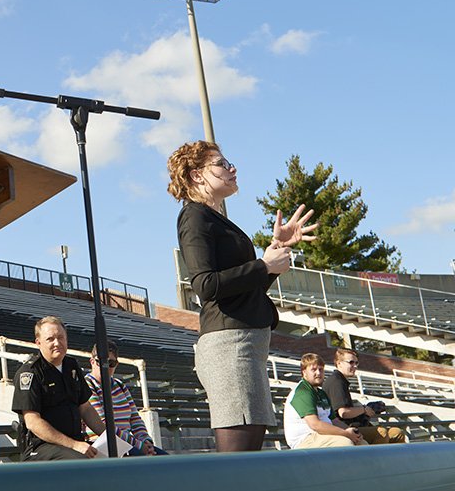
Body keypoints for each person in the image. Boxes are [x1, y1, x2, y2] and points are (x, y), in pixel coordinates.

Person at [167, 140, 317, 452]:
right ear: (197, 176)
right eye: (222, 164)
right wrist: (263, 264)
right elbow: (205, 285)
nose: (232, 168)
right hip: (229, 346)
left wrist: (274, 257)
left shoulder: (216, 218)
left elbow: (246, 291)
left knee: (248, 461)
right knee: (236, 464)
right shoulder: (194, 217)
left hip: (247, 344)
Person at [11, 316, 106, 460]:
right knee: (81, 461)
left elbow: (85, 408)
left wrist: (109, 437)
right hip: (42, 447)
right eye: (50, 339)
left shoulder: (72, 366)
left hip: (74, 443)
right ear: (38, 343)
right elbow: (33, 422)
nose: (57, 343)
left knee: (120, 455)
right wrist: (74, 445)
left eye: (61, 337)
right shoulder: (30, 373)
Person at [84, 341, 167, 456]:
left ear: (116, 365)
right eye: (101, 362)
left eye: (111, 363)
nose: (106, 367)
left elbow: (135, 419)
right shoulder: (87, 385)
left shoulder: (120, 386)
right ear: (92, 362)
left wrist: (146, 441)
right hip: (102, 444)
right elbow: (101, 424)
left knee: (166, 460)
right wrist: (138, 445)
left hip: (129, 444)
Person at [322, 348, 407, 445]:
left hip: (351, 425)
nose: (355, 366)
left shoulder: (340, 381)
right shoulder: (336, 382)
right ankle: (376, 460)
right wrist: (364, 409)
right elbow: (344, 412)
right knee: (381, 433)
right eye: (351, 362)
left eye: (356, 363)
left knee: (397, 433)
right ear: (339, 363)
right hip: (343, 430)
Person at [284, 353, 366, 449]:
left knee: (362, 443)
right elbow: (315, 425)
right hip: (306, 439)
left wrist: (350, 431)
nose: (318, 373)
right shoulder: (303, 392)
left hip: (323, 435)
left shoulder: (321, 393)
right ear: (304, 372)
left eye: (321, 369)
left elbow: (334, 420)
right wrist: (345, 434)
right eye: (313, 370)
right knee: (345, 443)